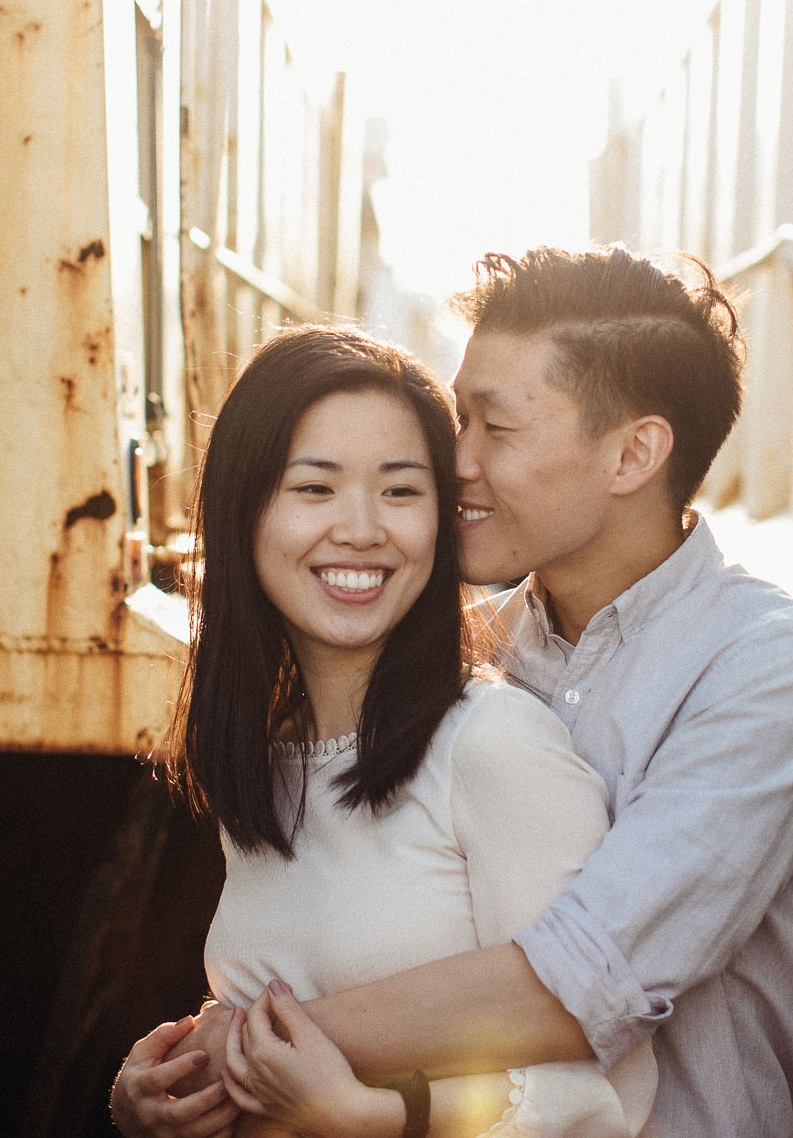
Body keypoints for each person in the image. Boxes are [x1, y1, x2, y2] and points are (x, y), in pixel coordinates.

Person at [223, 247, 793, 1138]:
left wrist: (234, 1052)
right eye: (457, 420)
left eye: (496, 429)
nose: (456, 463)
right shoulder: (467, 649)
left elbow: (585, 983)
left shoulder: (769, 671)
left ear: (634, 451)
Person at [108, 325, 654, 1138]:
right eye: (315, 489)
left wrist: (385, 1117)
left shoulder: (493, 748)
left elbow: (606, 1094)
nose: (362, 529)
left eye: (400, 491)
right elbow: (283, 1004)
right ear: (242, 509)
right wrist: (158, 1091)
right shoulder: (268, 753)